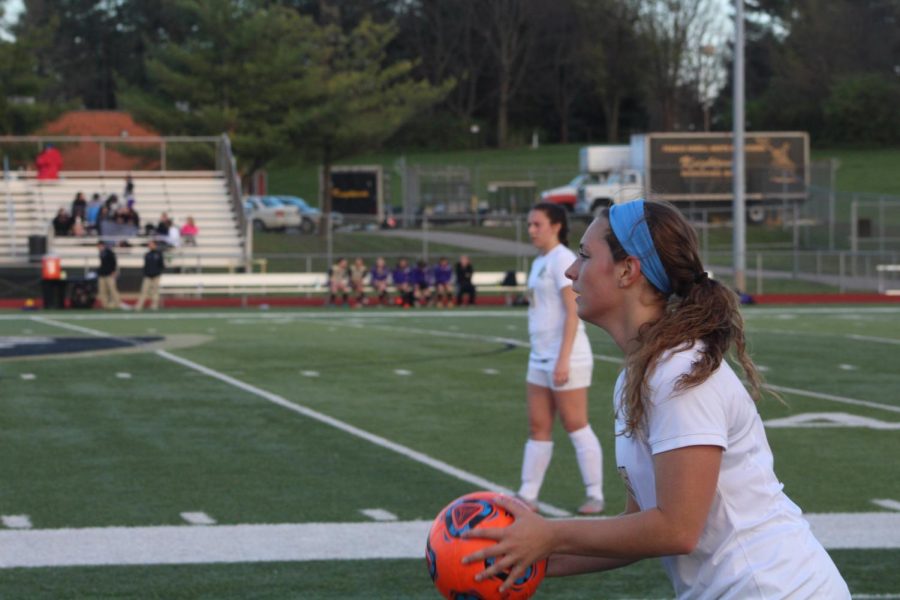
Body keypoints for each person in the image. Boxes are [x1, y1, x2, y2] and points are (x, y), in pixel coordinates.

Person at [463, 199, 850, 599]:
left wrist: (552, 533)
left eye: (584, 255)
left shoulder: (679, 372)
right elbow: (639, 524)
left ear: (628, 270)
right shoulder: (640, 374)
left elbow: (677, 529)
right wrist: (517, 559)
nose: (571, 270)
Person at [516, 202, 604, 515]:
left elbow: (572, 314)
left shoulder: (563, 260)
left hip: (566, 357)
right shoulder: (541, 261)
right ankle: (527, 495)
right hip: (540, 357)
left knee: (575, 423)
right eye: (530, 224)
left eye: (537, 224)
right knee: (538, 426)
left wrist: (563, 359)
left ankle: (595, 494)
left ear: (556, 226)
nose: (531, 230)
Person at [135, 240, 165, 311]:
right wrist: (145, 273)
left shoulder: (159, 254)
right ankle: (139, 306)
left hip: (156, 276)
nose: (150, 246)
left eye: (152, 244)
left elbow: (161, 265)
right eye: (149, 245)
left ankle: (154, 305)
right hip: (148, 276)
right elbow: (146, 265)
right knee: (144, 291)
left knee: (155, 291)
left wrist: (157, 272)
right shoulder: (147, 254)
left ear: (155, 245)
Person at [96, 241, 125, 309]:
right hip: (102, 274)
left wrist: (114, 271)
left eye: (99, 246)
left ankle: (118, 304)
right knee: (102, 290)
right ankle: (105, 305)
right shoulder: (101, 253)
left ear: (102, 245)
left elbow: (114, 262)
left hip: (109, 274)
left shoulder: (109, 252)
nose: (98, 248)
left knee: (112, 289)